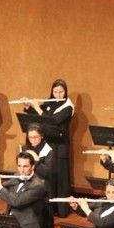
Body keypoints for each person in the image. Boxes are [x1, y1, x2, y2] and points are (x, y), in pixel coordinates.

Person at [26, 78, 74, 216]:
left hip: (60, 145)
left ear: (65, 92)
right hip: (48, 144)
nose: (57, 94)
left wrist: (36, 107)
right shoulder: (49, 103)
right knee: (50, 177)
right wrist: (29, 107)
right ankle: (50, 209)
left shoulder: (68, 107)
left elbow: (53, 121)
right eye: (55, 91)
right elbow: (38, 118)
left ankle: (62, 210)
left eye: (60, 92)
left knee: (61, 178)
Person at [22, 124, 57, 228]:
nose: (33, 140)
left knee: (44, 222)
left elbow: (47, 172)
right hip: (29, 187)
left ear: (42, 136)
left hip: (44, 190)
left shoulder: (49, 151)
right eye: (30, 137)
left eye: (35, 137)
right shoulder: (26, 148)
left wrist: (35, 161)